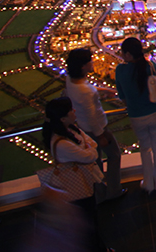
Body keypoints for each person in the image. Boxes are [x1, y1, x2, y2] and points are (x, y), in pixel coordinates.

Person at [42, 97, 111, 252]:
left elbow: (91, 144)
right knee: (88, 221)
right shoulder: (62, 143)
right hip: (78, 186)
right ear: (62, 118)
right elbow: (91, 155)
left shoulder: (70, 129)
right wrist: (89, 148)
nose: (74, 111)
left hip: (82, 180)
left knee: (91, 218)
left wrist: (89, 148)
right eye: (70, 110)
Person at [64, 48, 125, 202]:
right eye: (90, 61)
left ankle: (99, 194)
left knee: (95, 162)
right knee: (114, 155)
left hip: (83, 128)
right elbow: (92, 116)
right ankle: (114, 190)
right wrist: (101, 136)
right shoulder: (86, 91)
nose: (93, 63)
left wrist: (103, 90)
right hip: (98, 129)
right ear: (83, 66)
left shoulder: (71, 81)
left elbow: (87, 92)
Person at [114, 37, 156, 194]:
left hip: (136, 116)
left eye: (123, 52)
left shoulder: (121, 70)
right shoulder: (150, 66)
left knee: (145, 149)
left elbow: (122, 96)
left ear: (129, 54)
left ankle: (148, 184)